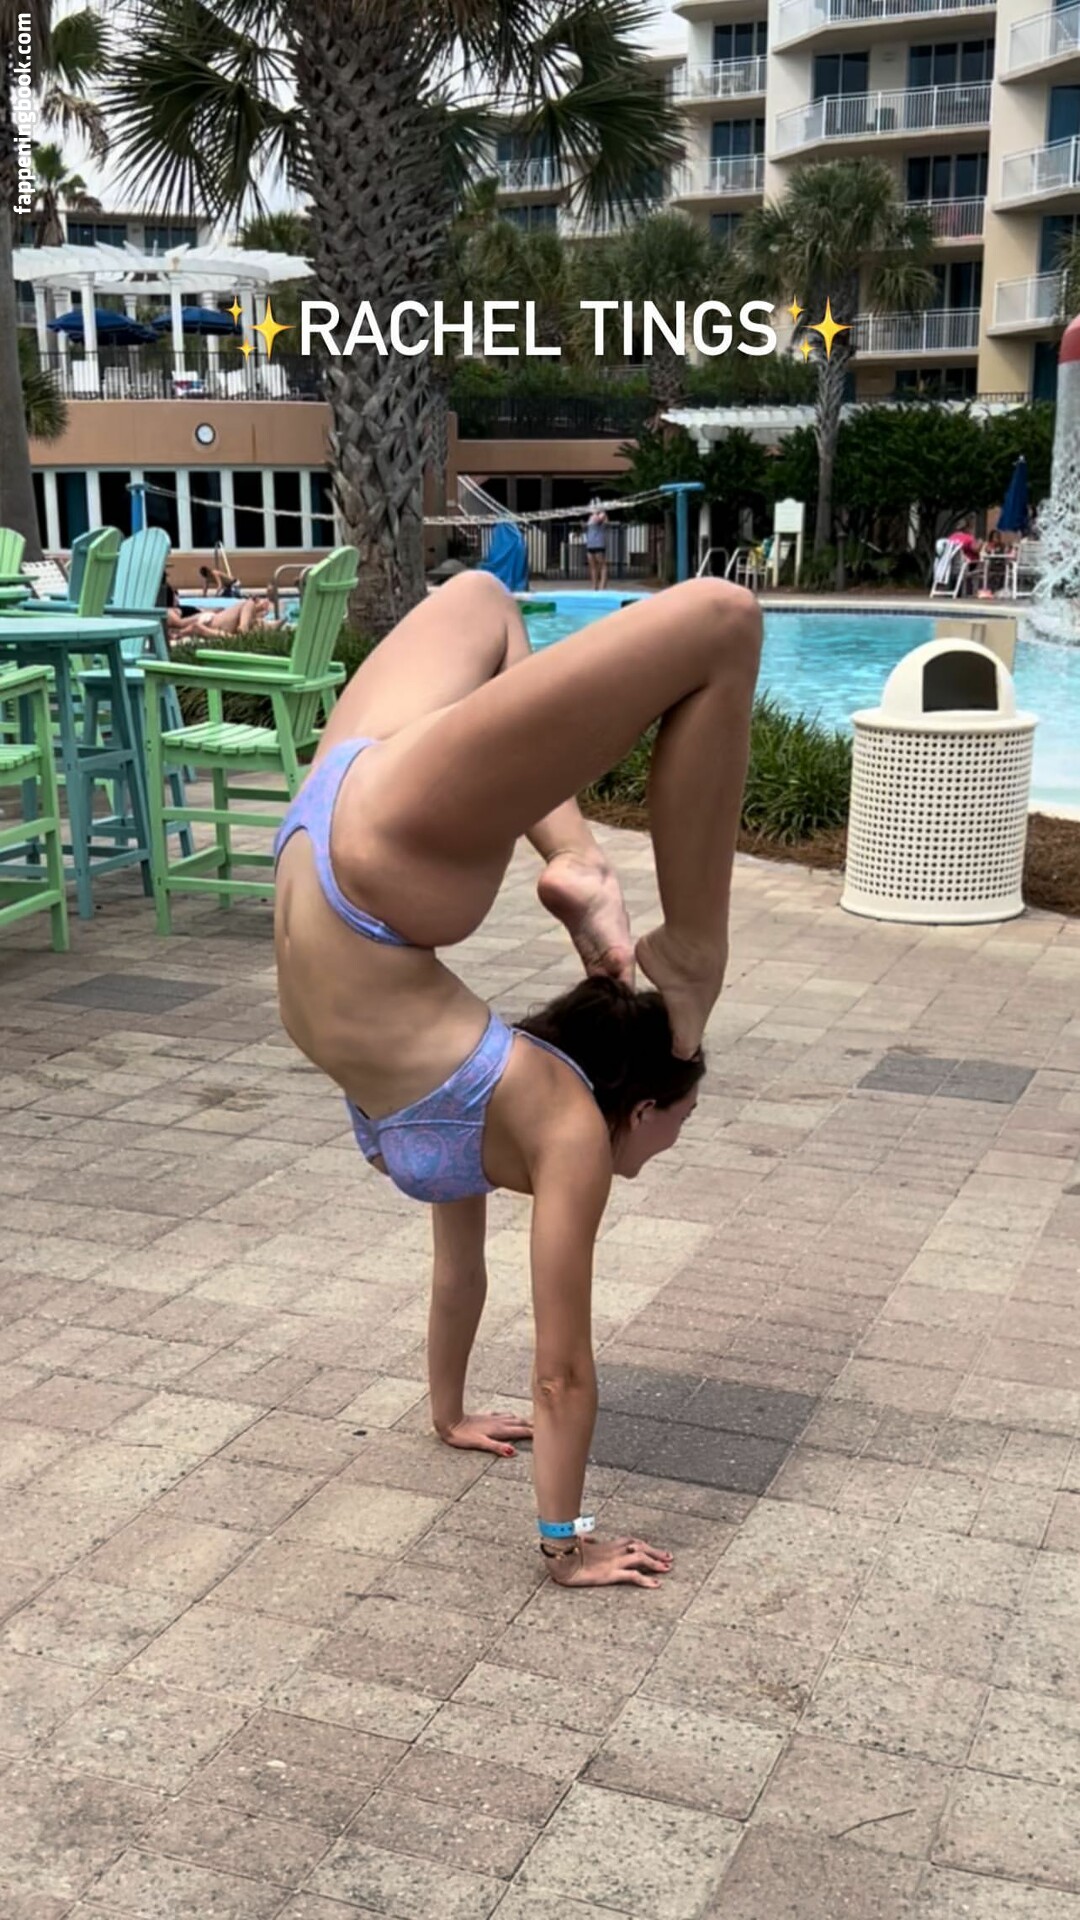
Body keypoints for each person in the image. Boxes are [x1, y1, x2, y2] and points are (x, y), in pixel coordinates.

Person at [273, 571, 762, 1589]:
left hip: (328, 824)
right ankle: (692, 951)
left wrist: (449, 1413)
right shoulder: (567, 1128)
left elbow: (461, 1275)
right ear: (644, 1104)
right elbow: (562, 1369)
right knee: (725, 620)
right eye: (684, 1119)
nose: (676, 1142)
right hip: (361, 857)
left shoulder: (480, 1112)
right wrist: (565, 1541)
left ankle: (576, 856)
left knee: (487, 601)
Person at [584, 500, 609, 591]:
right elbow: (589, 527)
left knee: (602, 565)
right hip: (590, 544)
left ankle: (602, 586)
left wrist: (595, 512)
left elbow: (599, 520)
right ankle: (594, 586)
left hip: (598, 543)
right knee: (592, 566)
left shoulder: (602, 514)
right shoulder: (590, 517)